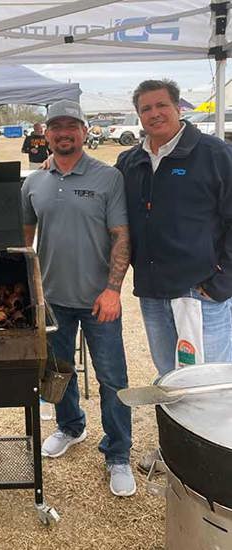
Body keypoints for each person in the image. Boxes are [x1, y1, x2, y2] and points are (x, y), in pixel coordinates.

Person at [115, 79, 232, 472]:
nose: (154, 114)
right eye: (146, 109)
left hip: (199, 293)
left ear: (178, 107)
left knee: (206, 382)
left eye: (161, 105)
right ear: (139, 116)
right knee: (168, 380)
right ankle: (175, 454)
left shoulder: (215, 155)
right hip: (152, 293)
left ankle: (211, 464)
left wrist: (221, 281)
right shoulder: (130, 162)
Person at [21, 99, 136, 497]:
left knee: (112, 378)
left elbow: (121, 235)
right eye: (56, 126)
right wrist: (29, 287)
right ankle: (71, 427)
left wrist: (113, 290)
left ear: (85, 131)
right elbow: (25, 239)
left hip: (99, 299)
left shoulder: (108, 178)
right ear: (45, 133)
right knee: (58, 371)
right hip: (52, 300)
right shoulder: (34, 182)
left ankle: (118, 453)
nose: (64, 133)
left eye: (72, 126)